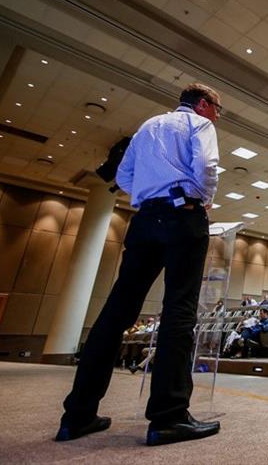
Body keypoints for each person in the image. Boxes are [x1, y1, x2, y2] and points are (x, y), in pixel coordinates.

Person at [55, 83, 222, 446]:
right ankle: (168, 417)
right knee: (180, 310)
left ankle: (78, 415)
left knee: (116, 312)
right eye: (217, 110)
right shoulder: (200, 125)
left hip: (144, 220)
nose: (217, 117)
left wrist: (150, 196)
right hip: (185, 217)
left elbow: (124, 178)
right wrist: (203, 199)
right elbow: (207, 165)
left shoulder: (148, 126)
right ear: (205, 104)